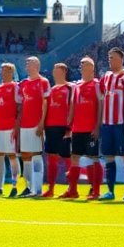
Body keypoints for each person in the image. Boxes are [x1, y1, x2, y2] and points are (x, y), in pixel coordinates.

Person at [61, 57, 103, 200]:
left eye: (84, 64)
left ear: (91, 67)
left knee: (93, 158)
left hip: (90, 128)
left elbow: (101, 107)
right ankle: (73, 190)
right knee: (75, 158)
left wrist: (97, 127)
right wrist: (69, 126)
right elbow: (72, 106)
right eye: (80, 64)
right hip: (77, 128)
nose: (81, 66)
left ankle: (96, 191)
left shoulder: (97, 84)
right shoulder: (76, 85)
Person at [98, 48, 124, 202]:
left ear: (121, 59)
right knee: (109, 157)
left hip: (121, 124)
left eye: (113, 57)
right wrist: (100, 122)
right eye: (109, 57)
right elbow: (102, 100)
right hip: (107, 124)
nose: (110, 60)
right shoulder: (106, 77)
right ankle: (110, 191)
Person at [17, 56, 49, 198]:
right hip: (24, 125)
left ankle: (37, 189)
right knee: (26, 156)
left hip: (36, 124)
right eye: (26, 64)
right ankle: (28, 187)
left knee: (36, 155)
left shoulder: (43, 82)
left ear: (36, 65)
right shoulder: (23, 84)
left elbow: (45, 104)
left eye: (29, 63)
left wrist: (42, 123)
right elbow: (20, 105)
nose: (26, 66)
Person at [40, 62, 73, 198]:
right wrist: (43, 124)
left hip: (64, 126)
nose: (54, 72)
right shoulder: (51, 89)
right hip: (50, 127)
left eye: (57, 70)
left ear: (64, 72)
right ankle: (51, 188)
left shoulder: (70, 87)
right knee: (51, 158)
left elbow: (72, 106)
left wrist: (69, 126)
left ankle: (72, 188)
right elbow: (45, 107)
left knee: (67, 158)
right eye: (54, 70)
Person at [0, 63, 22, 196]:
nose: (2, 73)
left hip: (10, 127)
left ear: (11, 72)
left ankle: (15, 186)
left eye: (5, 71)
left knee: (13, 157)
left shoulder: (15, 87)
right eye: (1, 71)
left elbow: (20, 107)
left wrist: (16, 126)